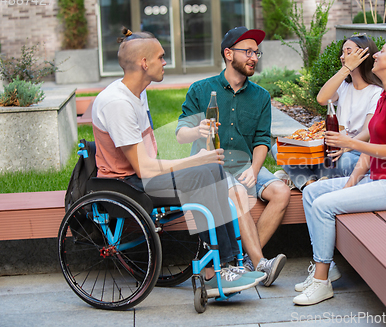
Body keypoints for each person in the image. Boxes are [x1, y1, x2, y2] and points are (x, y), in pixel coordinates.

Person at [91, 27, 264, 297]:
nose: (165, 62)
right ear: (144, 63)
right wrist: (193, 160)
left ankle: (223, 265)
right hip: (125, 185)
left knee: (211, 170)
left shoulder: (138, 92)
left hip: (141, 177)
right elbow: (145, 168)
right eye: (161, 57)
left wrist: (198, 162)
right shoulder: (117, 103)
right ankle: (219, 269)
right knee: (204, 172)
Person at [293, 39, 386, 306]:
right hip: (377, 179)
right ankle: (327, 266)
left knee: (322, 206)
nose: (375, 55)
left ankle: (321, 282)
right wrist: (350, 184)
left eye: (383, 51)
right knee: (312, 192)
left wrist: (349, 143)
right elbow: (371, 150)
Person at [176, 26, 290, 287]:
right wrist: (197, 130)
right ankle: (261, 262)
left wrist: (254, 168)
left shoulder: (260, 96)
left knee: (281, 192)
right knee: (237, 192)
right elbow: (181, 133)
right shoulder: (201, 90)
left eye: (256, 52)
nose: (254, 57)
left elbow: (262, 140)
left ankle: (248, 264)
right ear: (229, 54)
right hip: (211, 168)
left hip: (244, 165)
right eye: (247, 51)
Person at [271, 34, 383, 191]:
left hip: (354, 153)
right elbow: (322, 99)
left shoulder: (377, 92)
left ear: (363, 55)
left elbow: (368, 131)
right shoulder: (344, 86)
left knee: (343, 161)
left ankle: (299, 176)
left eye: (349, 52)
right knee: (279, 148)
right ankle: (311, 183)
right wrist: (346, 70)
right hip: (331, 150)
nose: (343, 57)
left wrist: (345, 147)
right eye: (342, 53)